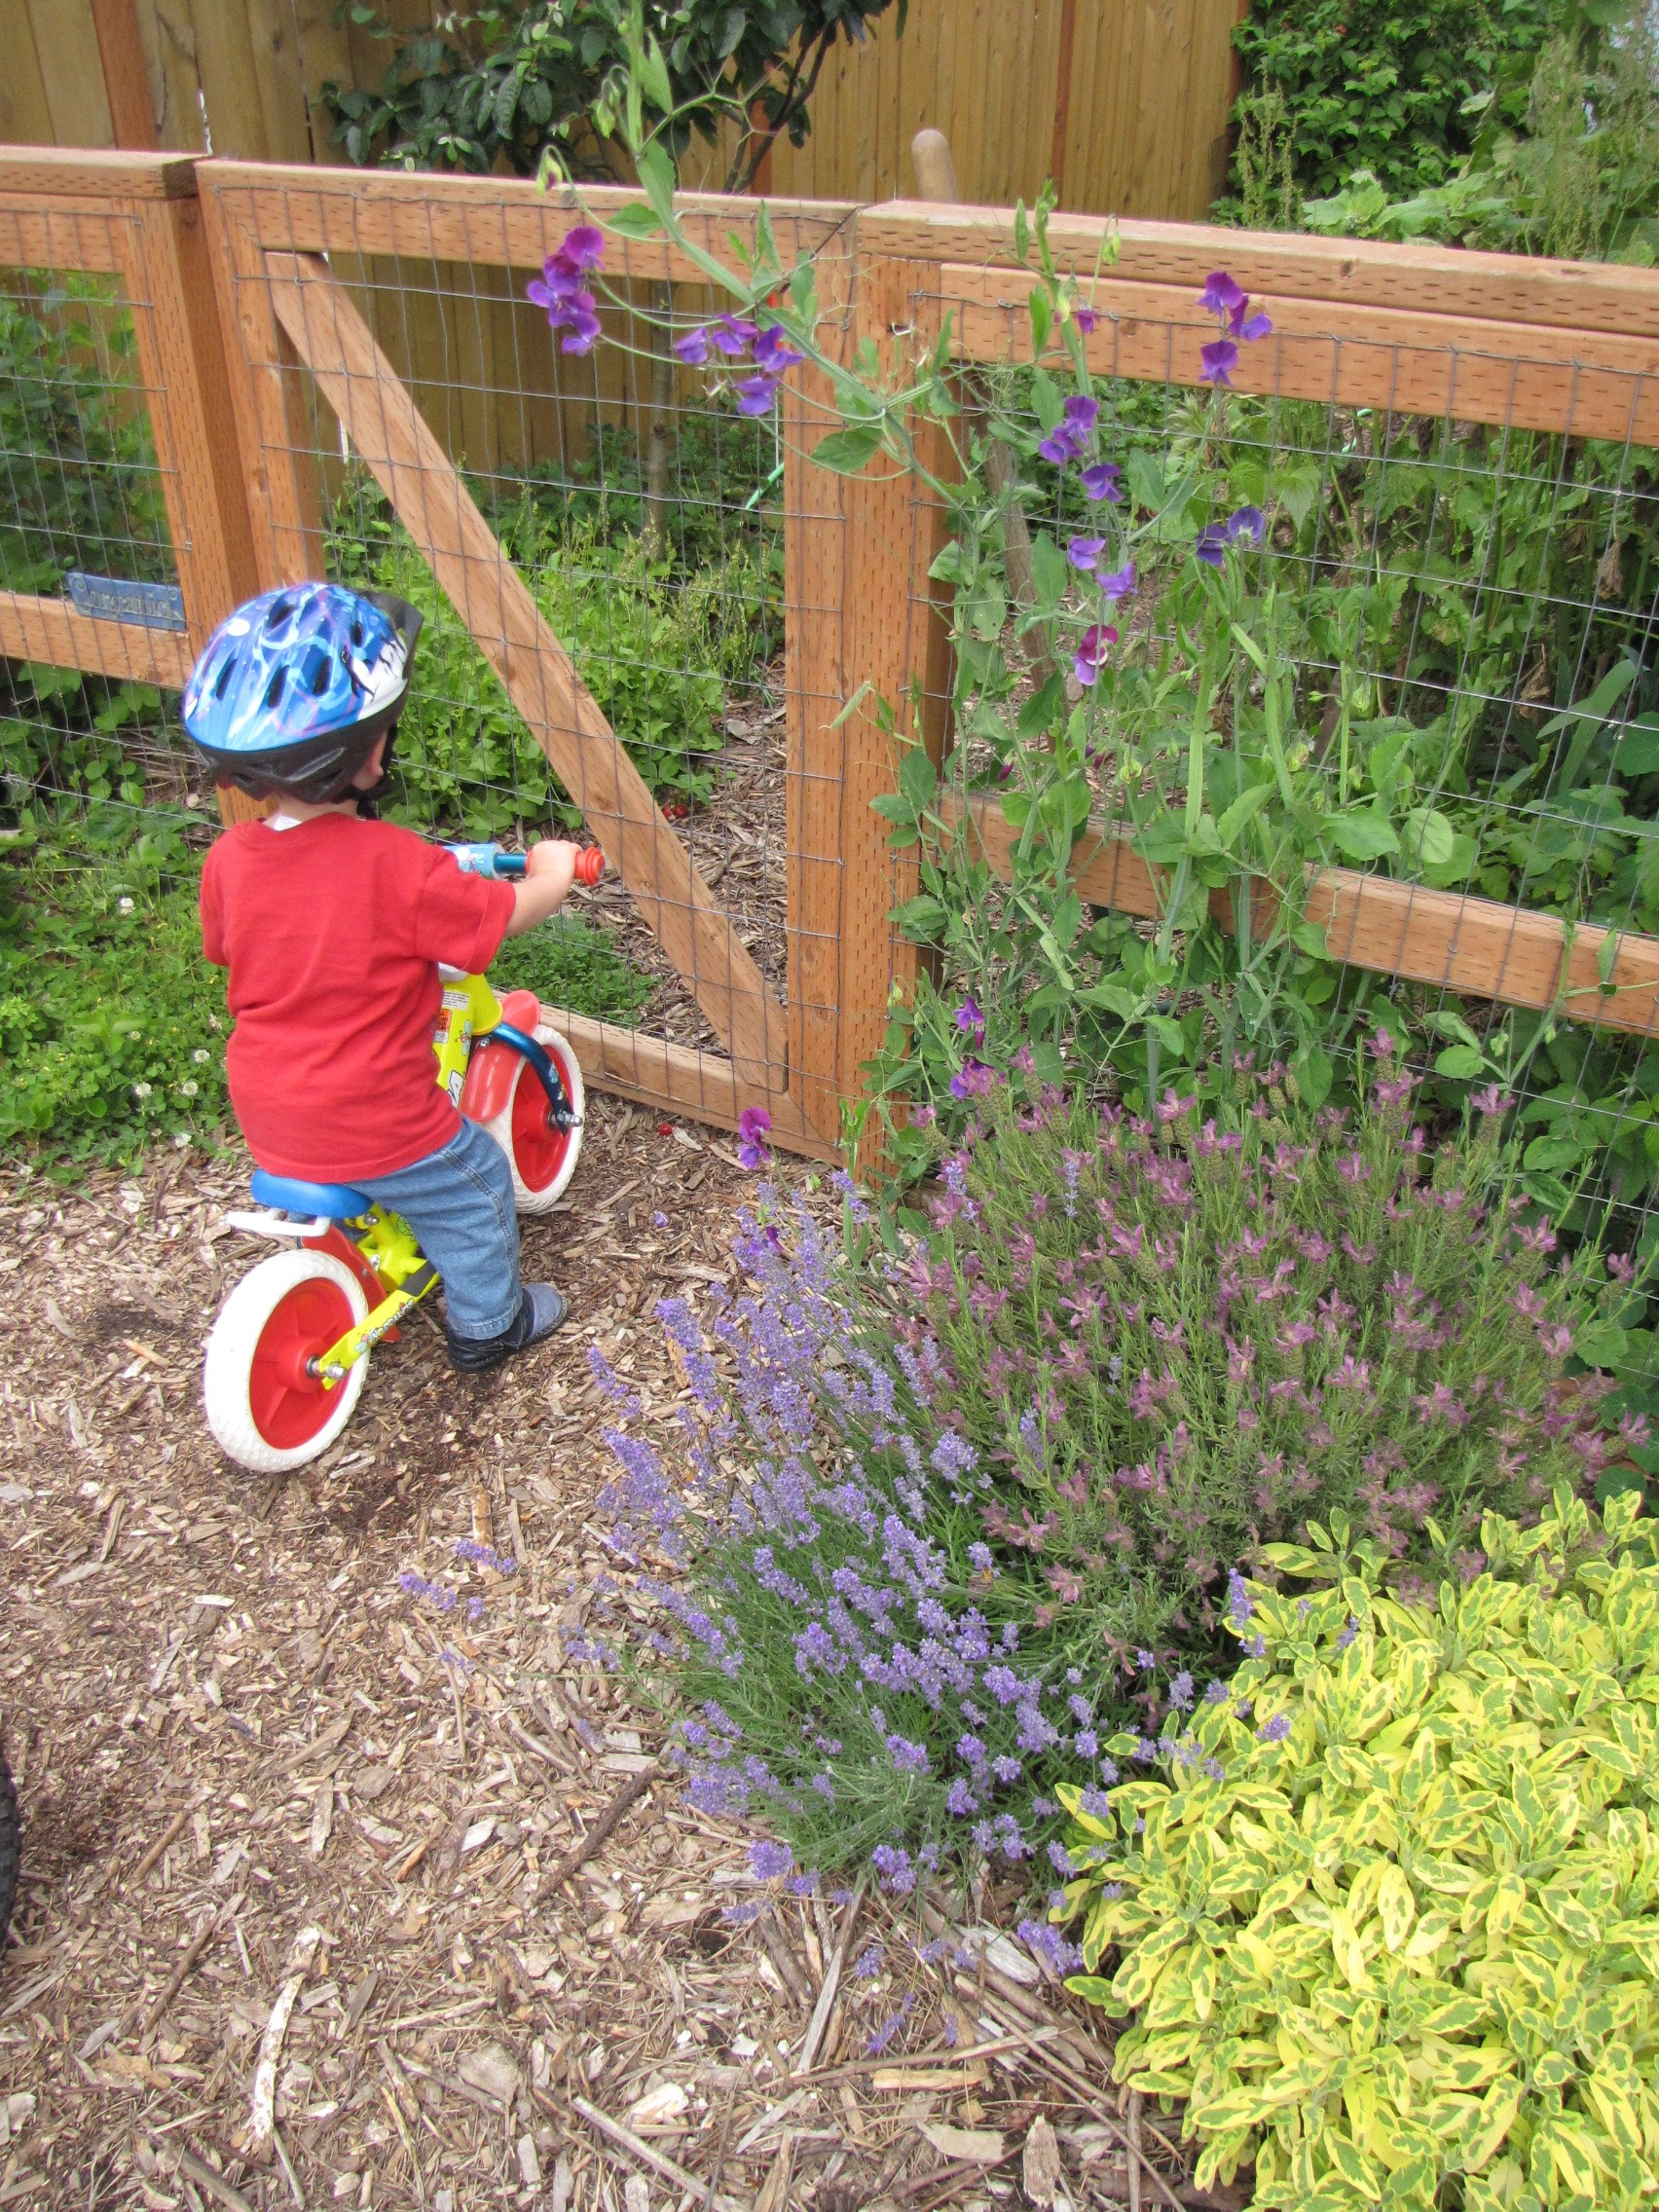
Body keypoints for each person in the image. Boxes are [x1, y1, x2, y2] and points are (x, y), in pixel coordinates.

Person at [184, 582, 583, 1373]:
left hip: (268, 1110)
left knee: (374, 1154)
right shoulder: (399, 868)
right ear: (370, 754)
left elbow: (230, 947)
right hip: (369, 1114)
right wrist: (554, 875)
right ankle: (488, 1325)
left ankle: (358, 1247)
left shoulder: (229, 859)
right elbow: (494, 919)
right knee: (476, 1183)